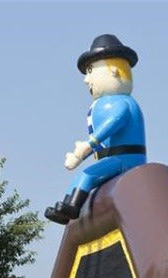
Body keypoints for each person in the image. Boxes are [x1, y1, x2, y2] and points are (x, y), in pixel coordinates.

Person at [45, 34, 147, 225]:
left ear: (114, 72)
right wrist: (82, 153)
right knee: (81, 176)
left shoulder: (123, 103)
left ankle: (72, 207)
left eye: (90, 71)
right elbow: (103, 137)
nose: (86, 80)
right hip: (110, 158)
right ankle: (66, 205)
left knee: (87, 175)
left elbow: (114, 122)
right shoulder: (104, 103)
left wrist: (88, 145)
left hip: (124, 160)